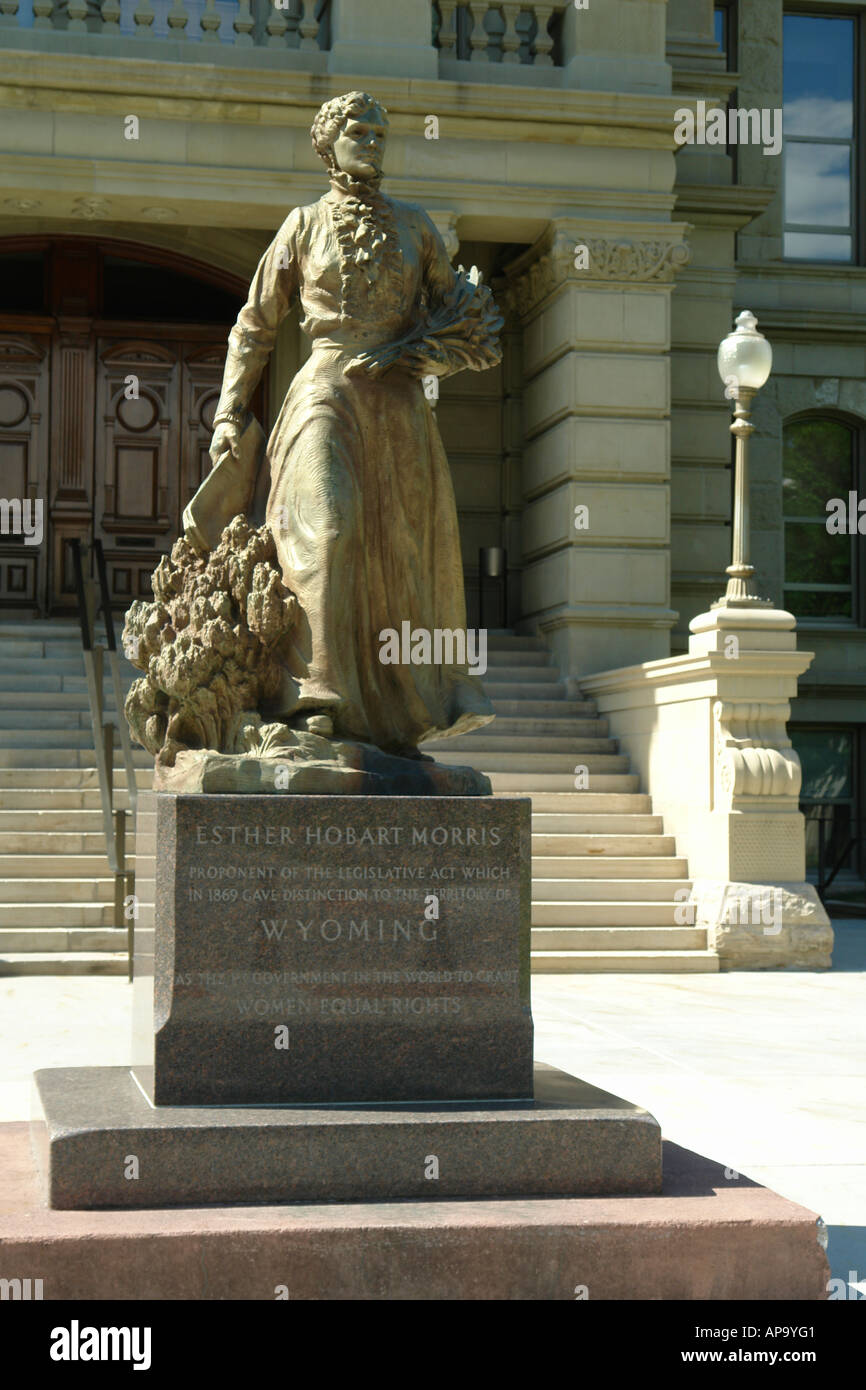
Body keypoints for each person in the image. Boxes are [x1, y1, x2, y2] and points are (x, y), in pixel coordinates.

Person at [194, 90, 501, 758]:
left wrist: (419, 355)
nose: (370, 139)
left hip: (397, 406)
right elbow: (254, 325)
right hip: (326, 388)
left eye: (379, 131)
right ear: (326, 143)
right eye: (356, 130)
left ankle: (397, 713)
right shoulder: (302, 225)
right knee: (326, 528)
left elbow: (468, 330)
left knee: (399, 553)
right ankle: (317, 696)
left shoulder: (417, 227)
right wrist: (227, 412)